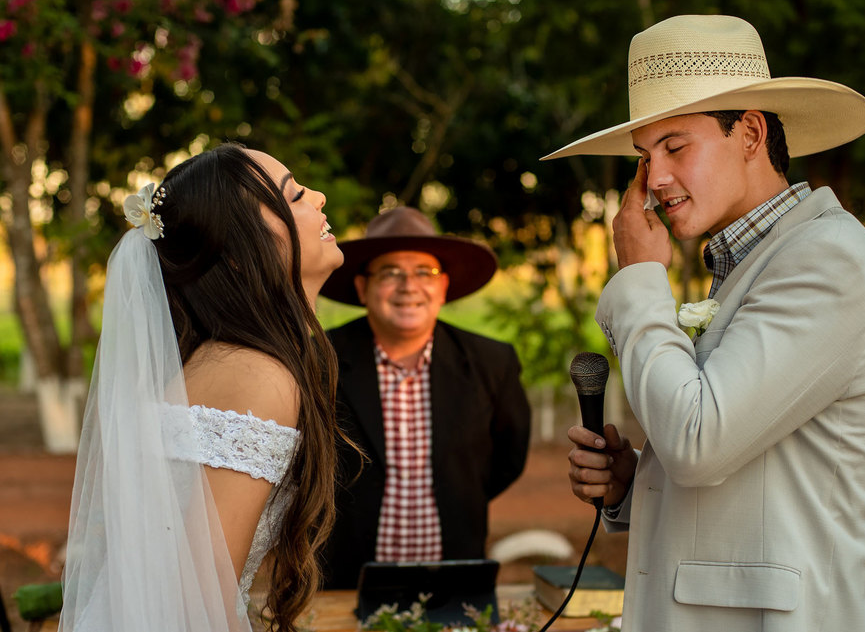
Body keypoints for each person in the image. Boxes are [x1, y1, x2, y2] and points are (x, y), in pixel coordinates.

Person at [549, 15, 865, 630]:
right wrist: (636, 481)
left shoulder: (828, 259)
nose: (655, 180)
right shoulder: (751, 261)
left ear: (751, 133)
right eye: (644, 156)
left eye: (675, 147)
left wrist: (640, 278)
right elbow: (737, 451)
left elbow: (698, 442)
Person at [59, 143, 356, 632]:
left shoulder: (225, 360)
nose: (319, 197)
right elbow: (194, 601)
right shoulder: (256, 376)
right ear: (239, 251)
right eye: (295, 194)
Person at [315, 206, 531, 589]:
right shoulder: (318, 361)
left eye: (424, 272)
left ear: (443, 286)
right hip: (345, 578)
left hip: (455, 575)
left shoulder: (491, 362)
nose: (408, 286)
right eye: (390, 272)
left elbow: (508, 457)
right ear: (363, 288)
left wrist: (459, 491)